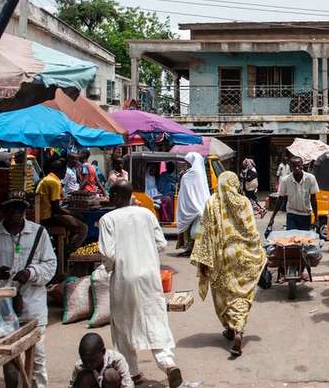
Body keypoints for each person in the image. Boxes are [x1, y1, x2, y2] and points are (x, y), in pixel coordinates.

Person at [98, 181, 182, 387]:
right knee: (155, 319)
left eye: (111, 193)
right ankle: (168, 364)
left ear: (118, 196)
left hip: (124, 278)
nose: (109, 196)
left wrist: (109, 268)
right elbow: (162, 244)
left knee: (123, 325)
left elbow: (108, 254)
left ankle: (133, 372)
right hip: (149, 277)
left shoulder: (107, 219)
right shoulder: (146, 214)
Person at [192, 171, 266, 356]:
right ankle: (238, 330)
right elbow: (252, 231)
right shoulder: (244, 202)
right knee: (242, 294)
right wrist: (258, 252)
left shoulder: (211, 203)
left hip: (221, 257)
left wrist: (203, 261)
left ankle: (231, 328)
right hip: (243, 255)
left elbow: (206, 233)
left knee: (223, 295)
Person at [0, 191, 56, 387]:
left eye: (21, 208)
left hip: (33, 305)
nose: (17, 212)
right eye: (12, 208)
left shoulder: (39, 233)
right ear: (3, 210)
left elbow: (51, 265)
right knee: (8, 359)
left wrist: (31, 273)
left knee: (38, 358)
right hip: (2, 310)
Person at [36, 159, 88, 253]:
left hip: (44, 215)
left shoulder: (48, 179)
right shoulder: (54, 182)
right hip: (48, 217)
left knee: (73, 224)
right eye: (64, 171)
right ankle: (67, 253)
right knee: (83, 228)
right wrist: (73, 214)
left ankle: (62, 247)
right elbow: (56, 209)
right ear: (59, 171)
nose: (65, 174)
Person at [269, 156, 319, 232]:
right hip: (292, 214)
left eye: (299, 166)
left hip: (305, 215)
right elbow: (280, 199)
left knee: (304, 241)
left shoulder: (310, 178)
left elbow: (313, 199)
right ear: (290, 167)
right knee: (291, 239)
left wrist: (316, 218)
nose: (296, 168)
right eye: (294, 166)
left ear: (302, 166)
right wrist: (272, 218)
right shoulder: (285, 180)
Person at [176, 152, 210, 256]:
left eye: (187, 162)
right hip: (199, 205)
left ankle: (191, 249)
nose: (185, 164)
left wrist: (183, 176)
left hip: (192, 207)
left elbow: (188, 190)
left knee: (192, 231)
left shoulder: (191, 174)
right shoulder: (198, 173)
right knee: (193, 230)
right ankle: (192, 249)